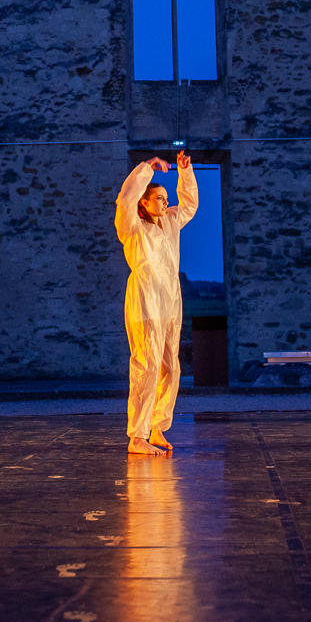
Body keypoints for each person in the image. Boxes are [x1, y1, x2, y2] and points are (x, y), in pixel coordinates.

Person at [115, 150, 198, 455]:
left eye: (166, 197)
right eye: (159, 198)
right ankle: (137, 436)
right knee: (146, 365)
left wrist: (185, 172)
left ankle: (157, 428)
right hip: (145, 299)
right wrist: (146, 169)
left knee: (170, 367)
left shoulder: (171, 221)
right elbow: (125, 200)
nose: (165, 202)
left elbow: (189, 205)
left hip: (170, 299)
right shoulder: (132, 226)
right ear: (144, 202)